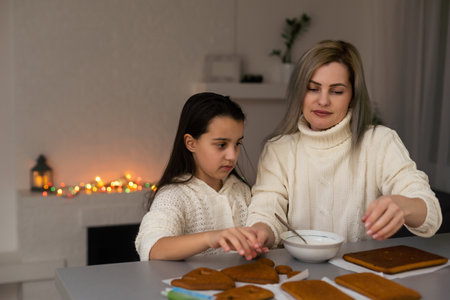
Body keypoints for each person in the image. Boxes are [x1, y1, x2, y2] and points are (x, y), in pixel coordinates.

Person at [245, 40, 442, 250]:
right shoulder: (278, 149)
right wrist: (259, 234)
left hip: (360, 273)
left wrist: (404, 206)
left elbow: (431, 213)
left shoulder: (380, 142)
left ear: (353, 97)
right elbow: (265, 211)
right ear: (299, 92)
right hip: (295, 271)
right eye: (313, 88)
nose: (323, 101)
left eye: (337, 91)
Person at [135, 92, 266, 261]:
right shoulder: (174, 195)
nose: (232, 155)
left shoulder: (242, 191)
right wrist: (210, 238)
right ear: (191, 143)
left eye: (237, 143)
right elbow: (152, 247)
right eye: (221, 145)